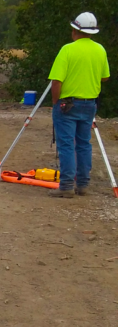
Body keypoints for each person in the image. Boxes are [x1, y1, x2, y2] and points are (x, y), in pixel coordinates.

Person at [48, 12, 110, 198]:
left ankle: (66, 185)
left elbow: (56, 81)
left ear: (75, 30)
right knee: (83, 144)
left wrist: (55, 102)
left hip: (68, 104)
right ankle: (82, 184)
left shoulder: (67, 50)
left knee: (66, 145)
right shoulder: (100, 50)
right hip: (90, 103)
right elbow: (105, 77)